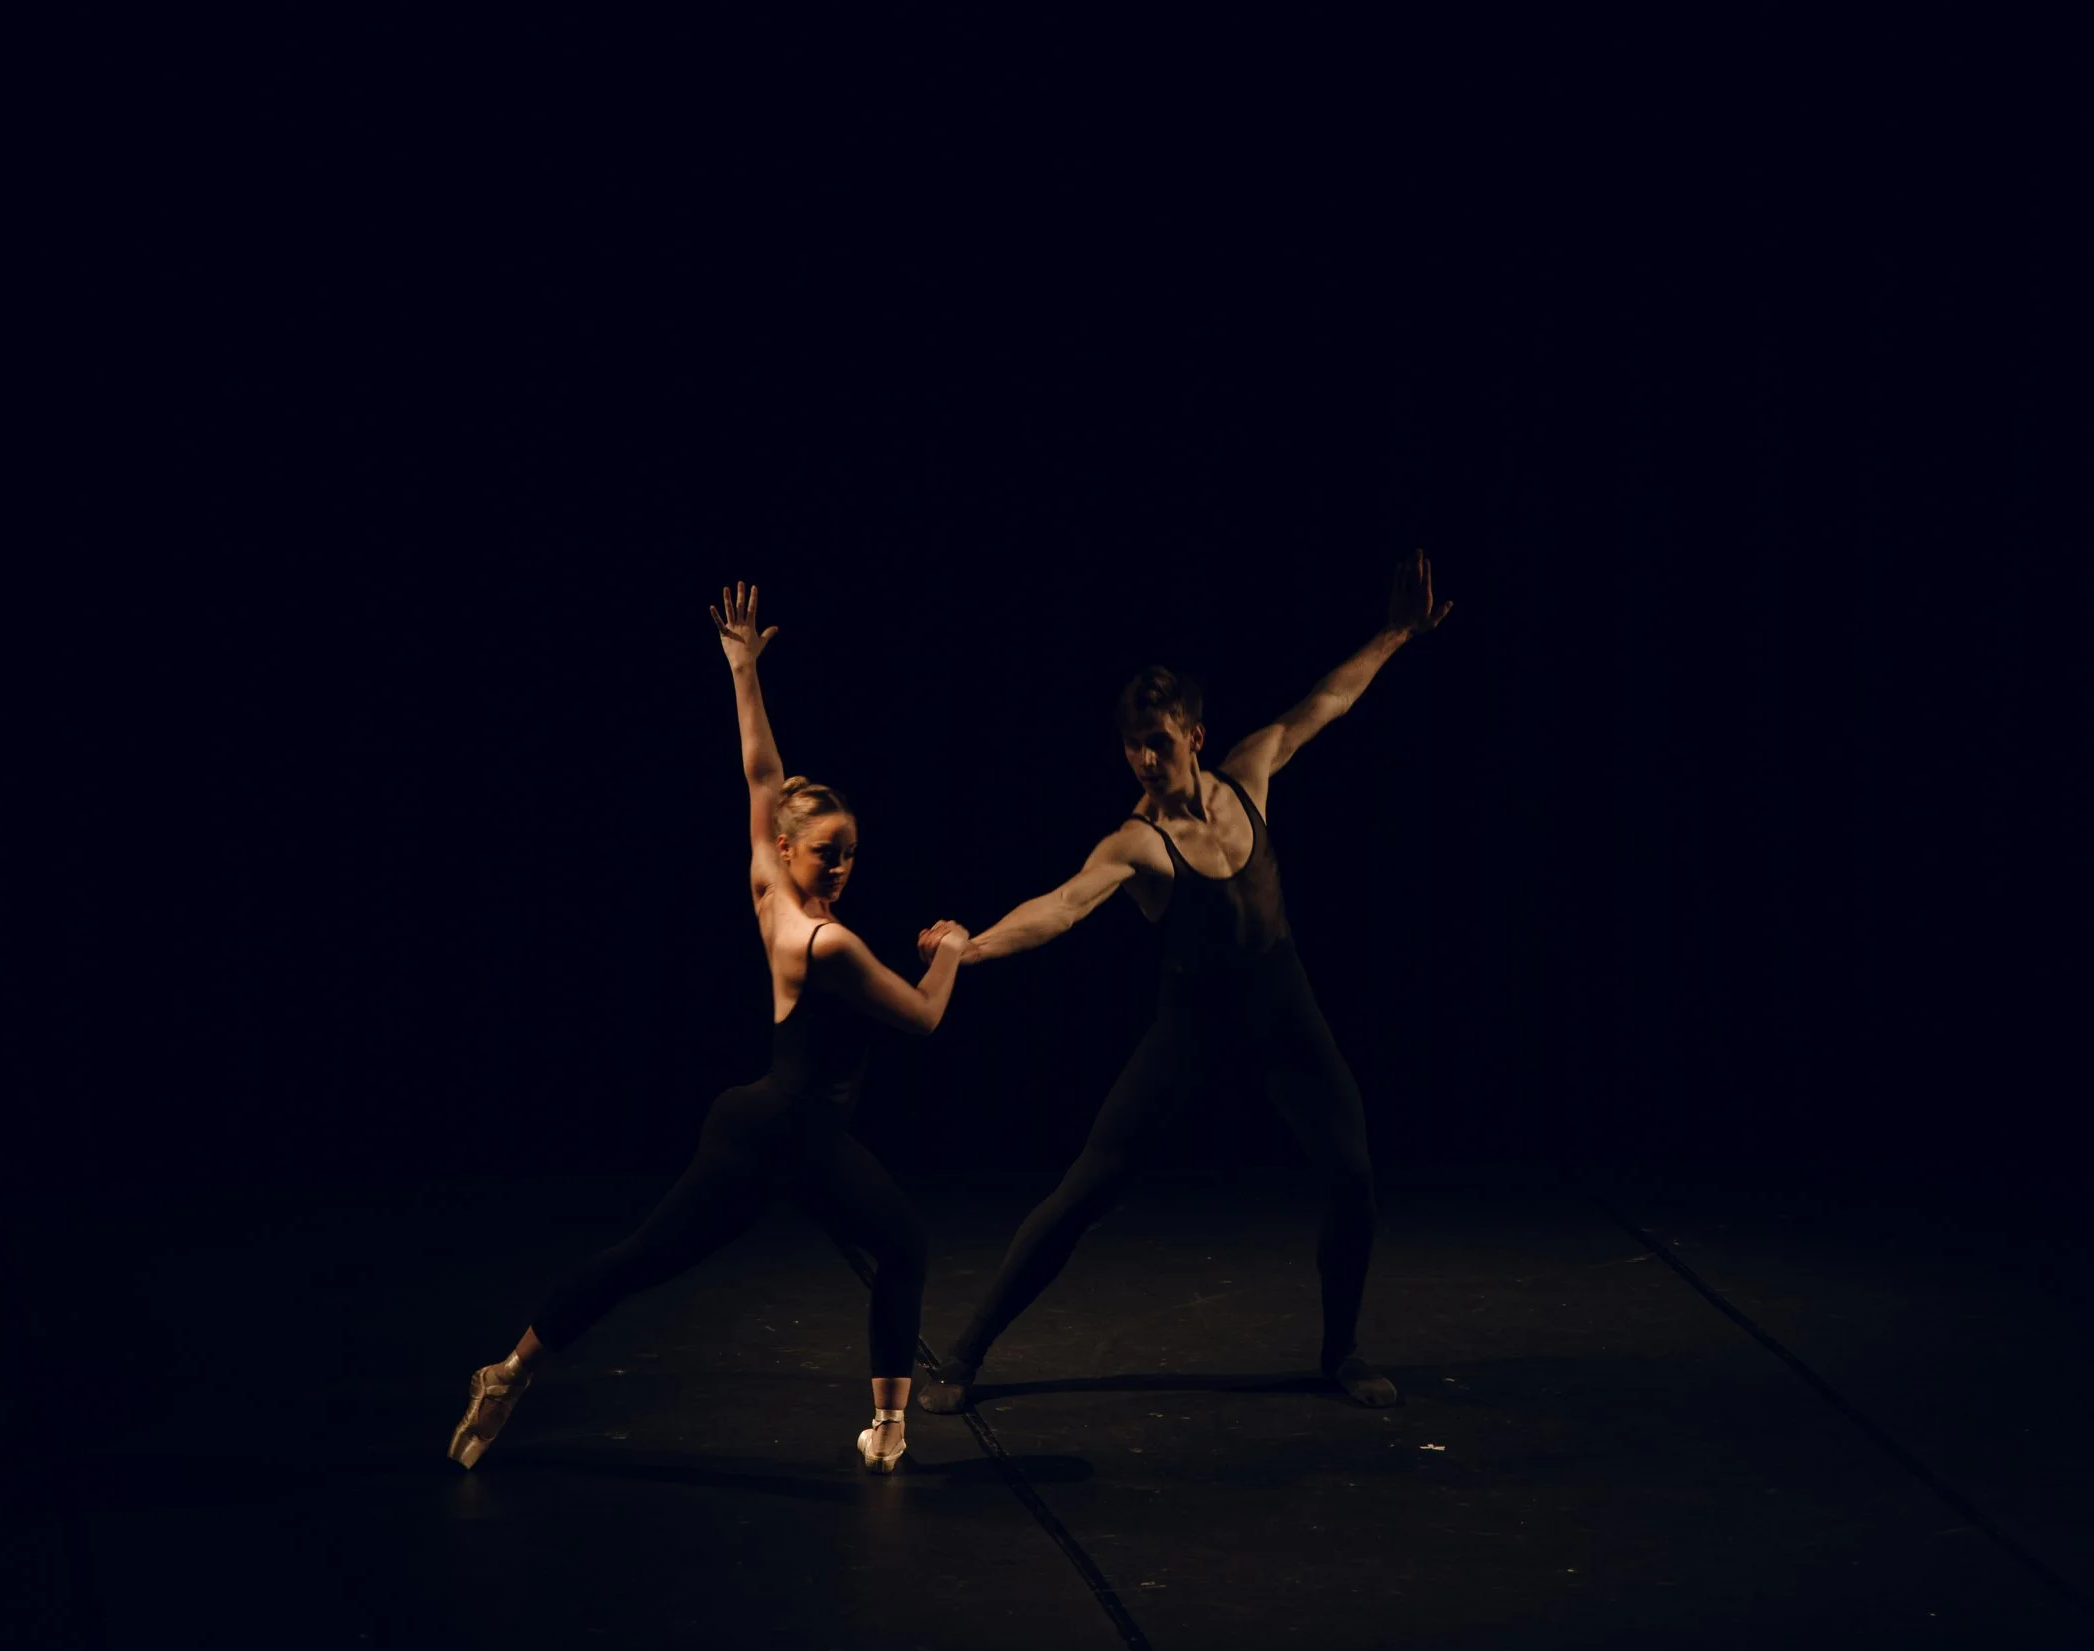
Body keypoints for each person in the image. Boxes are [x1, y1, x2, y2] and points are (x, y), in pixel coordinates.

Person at [449, 582, 968, 1473]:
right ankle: (508, 1373)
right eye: (827, 852)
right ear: (791, 850)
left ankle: (886, 1429)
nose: (842, 866)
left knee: (885, 1247)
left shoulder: (771, 888)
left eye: (850, 851)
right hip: (776, 1135)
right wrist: (952, 949)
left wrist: (742, 670)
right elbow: (922, 1016)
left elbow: (763, 776)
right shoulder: (828, 943)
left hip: (792, 1132)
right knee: (657, 1256)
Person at [917, 552, 1453, 1414]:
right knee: (1087, 1188)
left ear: (1194, 737)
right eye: (1132, 745)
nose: (1142, 758)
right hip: (1195, 1029)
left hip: (1284, 1012)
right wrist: (968, 948)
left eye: (1158, 742)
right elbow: (1063, 905)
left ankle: (1341, 1351)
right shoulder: (1137, 842)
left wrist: (1397, 633)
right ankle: (963, 1355)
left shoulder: (1250, 772)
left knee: (1352, 1175)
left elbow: (1327, 700)